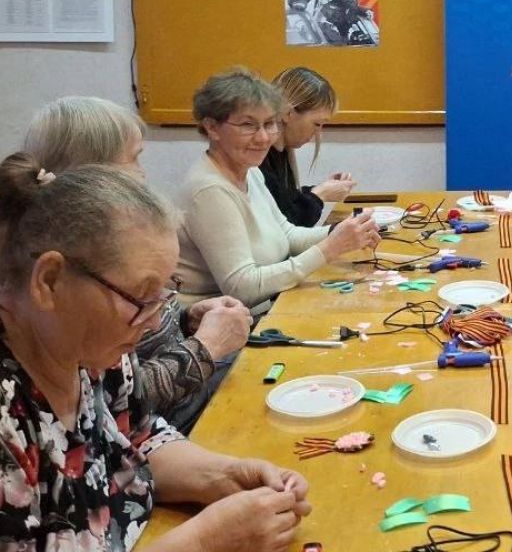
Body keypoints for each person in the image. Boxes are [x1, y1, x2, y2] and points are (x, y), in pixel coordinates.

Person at [0, 154, 311, 550]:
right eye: (142, 296)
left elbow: (140, 438)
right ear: (49, 281)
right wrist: (205, 541)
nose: (154, 321)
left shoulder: (91, 352)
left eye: (164, 293)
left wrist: (226, 475)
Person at [23, 95, 251, 433]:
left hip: (169, 426)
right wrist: (207, 347)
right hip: (181, 420)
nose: (144, 173)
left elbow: (139, 344)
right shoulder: (77, 273)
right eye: (134, 158)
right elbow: (119, 403)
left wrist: (186, 318)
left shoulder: (117, 244)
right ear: (95, 173)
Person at [175, 68, 380, 313]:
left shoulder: (251, 171)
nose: (263, 138)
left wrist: (344, 231)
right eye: (248, 125)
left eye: (269, 124)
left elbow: (287, 235)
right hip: (227, 322)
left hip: (264, 310)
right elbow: (242, 288)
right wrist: (329, 248)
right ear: (212, 128)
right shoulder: (209, 190)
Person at [260, 67, 355, 227]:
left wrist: (320, 189)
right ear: (288, 114)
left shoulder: (280, 152)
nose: (318, 133)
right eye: (317, 124)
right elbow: (290, 226)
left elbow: (286, 199)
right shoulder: (258, 159)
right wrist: (320, 194)